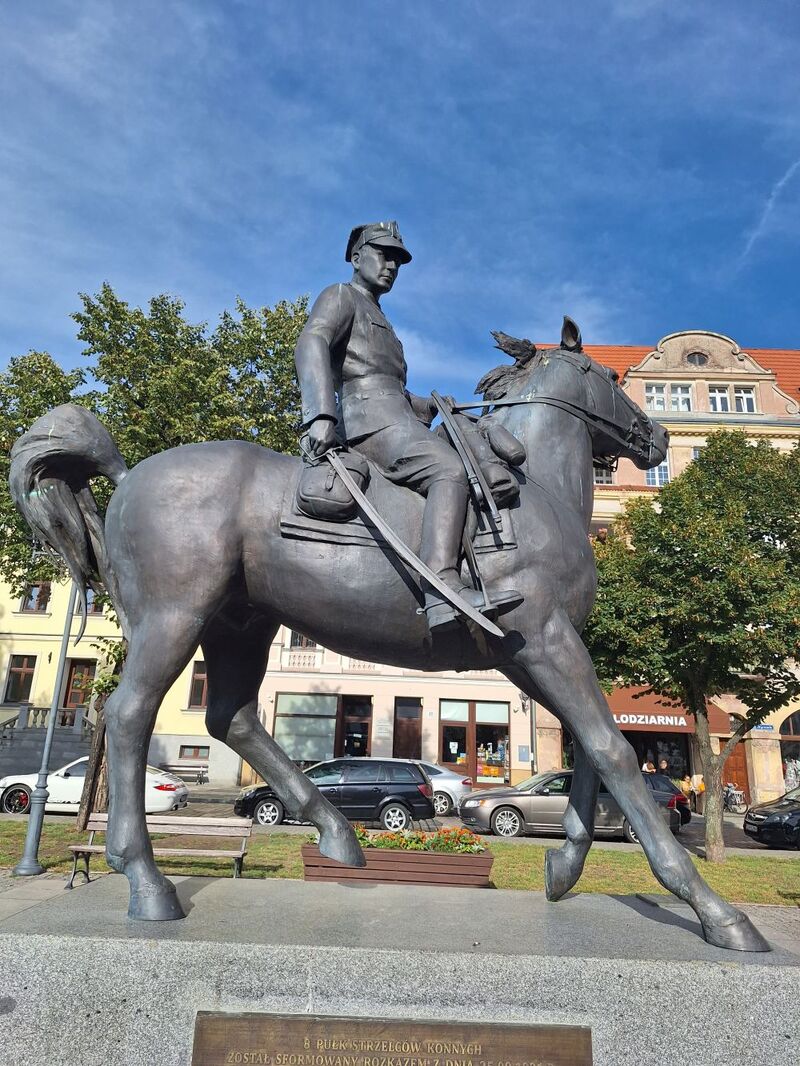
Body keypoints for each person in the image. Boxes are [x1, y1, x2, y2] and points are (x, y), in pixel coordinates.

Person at [294, 220, 520, 631]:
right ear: (356, 256)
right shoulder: (341, 295)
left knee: (465, 458)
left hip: (391, 416)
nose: (392, 266)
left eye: (397, 260)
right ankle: (441, 588)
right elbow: (312, 342)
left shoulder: (380, 318)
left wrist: (427, 406)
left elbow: (385, 385)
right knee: (449, 470)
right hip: (369, 423)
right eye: (383, 254)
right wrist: (321, 414)